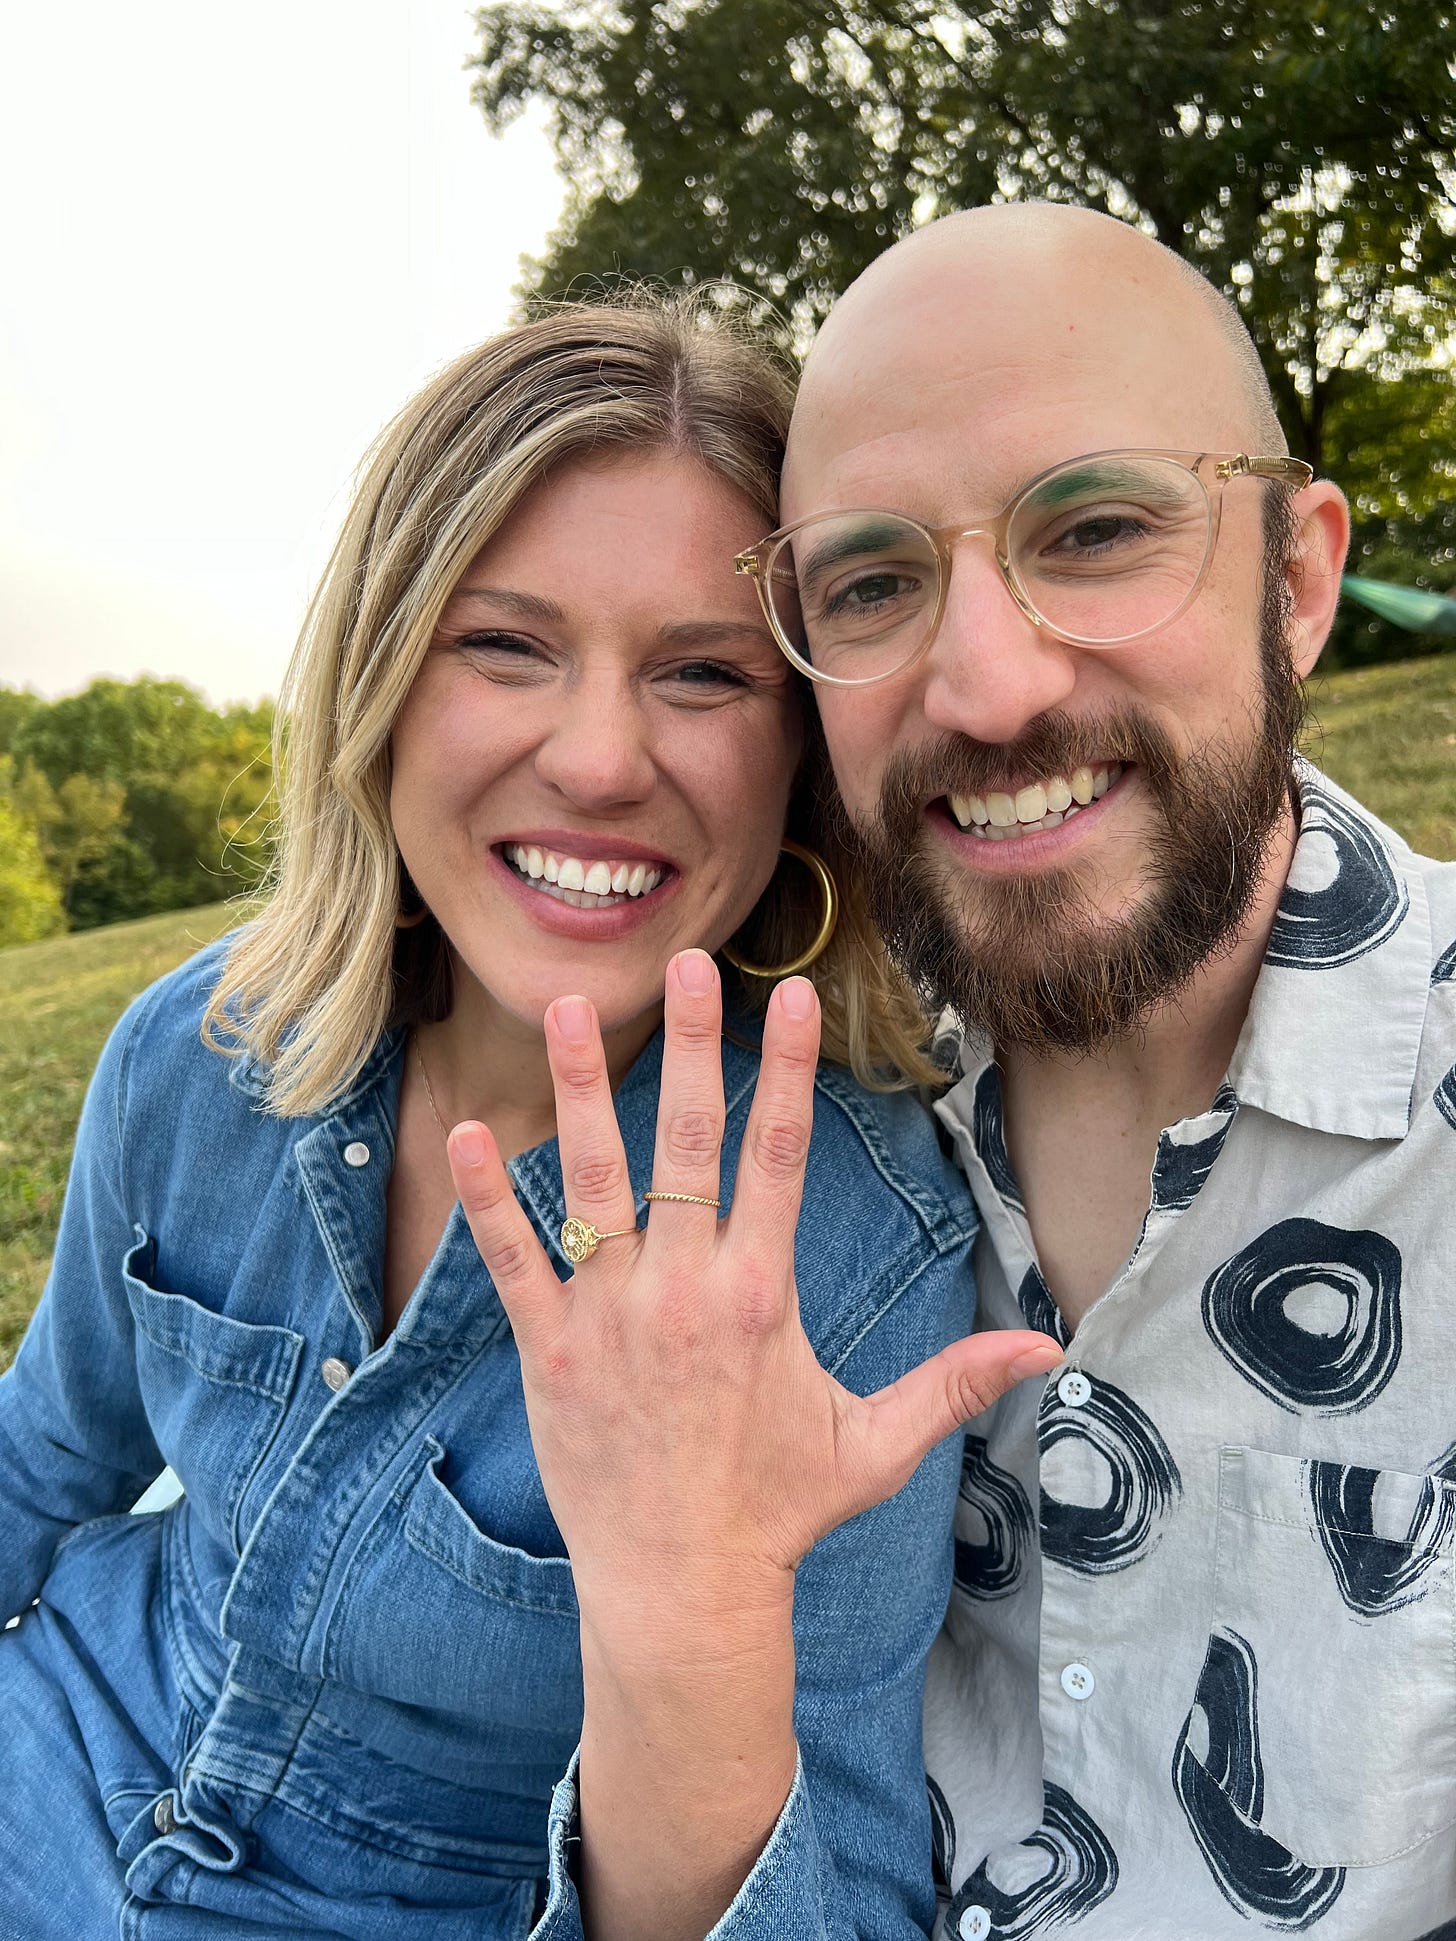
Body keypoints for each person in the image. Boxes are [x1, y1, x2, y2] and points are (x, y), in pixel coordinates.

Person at [0, 293, 1062, 1940]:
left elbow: (840, 1897)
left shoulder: (845, 1256)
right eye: (505, 645)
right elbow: (44, 1464)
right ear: (380, 681)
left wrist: (689, 1616)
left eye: (702, 672)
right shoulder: (196, 1053)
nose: (600, 758)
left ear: (796, 752)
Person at [477, 207, 1456, 1940]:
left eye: (1098, 530)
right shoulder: (772, 1118)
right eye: (871, 583)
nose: (988, 688)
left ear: (1297, 582)